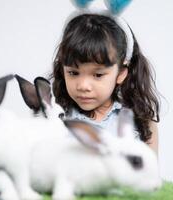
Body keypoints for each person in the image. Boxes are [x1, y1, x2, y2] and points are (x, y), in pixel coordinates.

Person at [50, 12, 160, 154]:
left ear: (120, 74)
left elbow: (150, 173)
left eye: (98, 75)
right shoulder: (56, 118)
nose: (83, 86)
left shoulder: (141, 120)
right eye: (73, 73)